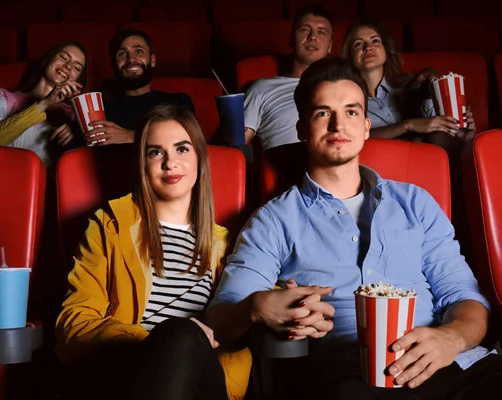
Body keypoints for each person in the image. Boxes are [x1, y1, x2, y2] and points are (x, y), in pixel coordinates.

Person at [205, 57, 502, 399]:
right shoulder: (273, 219)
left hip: (448, 363)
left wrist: (452, 337)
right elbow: (220, 319)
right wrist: (257, 307)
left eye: (350, 111)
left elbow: (464, 296)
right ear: (302, 128)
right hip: (349, 375)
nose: (337, 125)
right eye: (322, 113)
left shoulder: (415, 202)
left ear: (365, 125)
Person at [56, 104, 251, 400]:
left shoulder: (228, 245)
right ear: (142, 163)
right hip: (127, 374)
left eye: (182, 149)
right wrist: (156, 342)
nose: (170, 163)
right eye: (156, 152)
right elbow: (74, 322)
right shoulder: (110, 225)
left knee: (184, 338)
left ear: (200, 158)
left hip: (205, 382)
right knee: (180, 335)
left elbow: (255, 300)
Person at [341, 20, 476, 144]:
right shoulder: (347, 100)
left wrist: (461, 134)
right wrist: (408, 125)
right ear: (350, 55)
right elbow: (352, 138)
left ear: (386, 50)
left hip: (429, 163)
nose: (367, 48)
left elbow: (443, 132)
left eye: (375, 41)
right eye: (358, 44)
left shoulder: (415, 87)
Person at [243, 5, 333, 152]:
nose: (312, 37)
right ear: (291, 38)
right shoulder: (262, 88)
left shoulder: (342, 87)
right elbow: (236, 145)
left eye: (321, 32)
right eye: (305, 30)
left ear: (330, 46)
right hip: (284, 170)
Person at [85, 29, 195, 147]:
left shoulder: (178, 101)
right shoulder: (101, 109)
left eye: (139, 51)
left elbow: (192, 138)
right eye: (122, 54)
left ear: (152, 60)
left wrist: (132, 136)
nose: (131, 59)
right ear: (114, 65)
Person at [0, 41, 86, 167]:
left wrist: (76, 134)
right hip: (5, 177)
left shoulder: (71, 115)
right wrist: (45, 102)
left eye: (77, 68)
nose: (68, 66)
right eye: (63, 57)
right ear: (48, 59)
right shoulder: (3, 97)